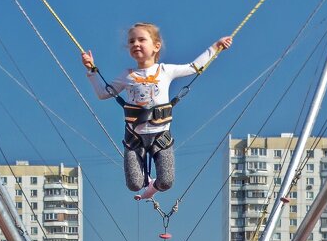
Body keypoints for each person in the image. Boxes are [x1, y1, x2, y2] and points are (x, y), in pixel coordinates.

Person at [82, 23, 232, 199]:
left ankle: (152, 188)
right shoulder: (127, 75)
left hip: (161, 137)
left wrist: (216, 46)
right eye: (131, 41)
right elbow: (102, 93)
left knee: (167, 182)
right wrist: (91, 70)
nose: (135, 44)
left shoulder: (165, 70)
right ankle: (145, 180)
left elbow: (194, 67)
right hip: (134, 138)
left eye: (141, 40)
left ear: (156, 46)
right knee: (134, 184)